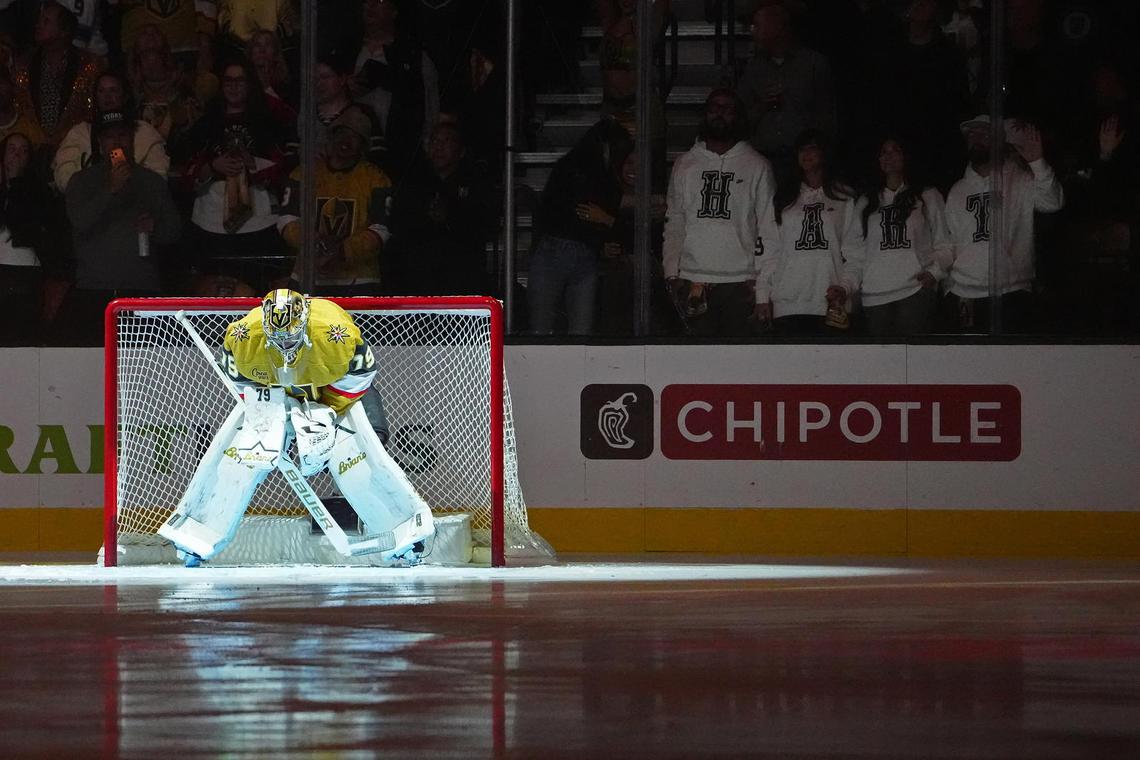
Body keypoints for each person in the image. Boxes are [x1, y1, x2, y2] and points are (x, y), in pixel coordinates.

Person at [160, 289, 434, 567]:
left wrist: (325, 412)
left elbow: (360, 377)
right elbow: (242, 385)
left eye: (290, 337)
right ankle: (194, 535)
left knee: (357, 459)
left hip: (334, 391)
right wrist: (271, 414)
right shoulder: (242, 336)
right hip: (273, 393)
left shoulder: (335, 331)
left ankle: (407, 533)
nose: (284, 345)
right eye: (276, 338)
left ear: (303, 321)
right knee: (243, 456)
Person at [54, 110, 181, 345]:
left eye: (123, 135)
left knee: (145, 368)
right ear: (100, 144)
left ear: (132, 140)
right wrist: (110, 189)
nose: (117, 142)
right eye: (110, 137)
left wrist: (156, 227)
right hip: (94, 290)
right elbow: (79, 222)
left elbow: (174, 232)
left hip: (141, 289)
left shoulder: (151, 181)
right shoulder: (81, 181)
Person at [662, 88, 779, 337]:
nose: (720, 114)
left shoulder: (756, 165)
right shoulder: (685, 165)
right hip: (694, 279)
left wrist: (762, 289)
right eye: (714, 108)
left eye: (727, 109)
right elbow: (675, 222)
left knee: (736, 366)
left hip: (741, 282)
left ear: (738, 116)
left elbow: (768, 230)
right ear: (705, 114)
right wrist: (672, 273)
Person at [942, 115, 1064, 333]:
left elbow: (1052, 202)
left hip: (1012, 290)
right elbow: (951, 241)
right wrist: (947, 285)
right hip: (966, 293)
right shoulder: (957, 190)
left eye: (984, 134)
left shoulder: (1019, 179)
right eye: (971, 135)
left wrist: (1037, 163)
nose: (976, 139)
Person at [182, 57, 288, 294]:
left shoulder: (267, 122)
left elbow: (283, 169)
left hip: (258, 220)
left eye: (240, 80)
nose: (234, 86)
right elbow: (187, 174)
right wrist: (213, 166)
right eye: (228, 80)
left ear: (250, 84)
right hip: (211, 220)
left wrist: (252, 165)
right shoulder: (205, 124)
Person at [527, 117, 633, 336]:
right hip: (564, 253)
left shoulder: (579, 168)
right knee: (558, 332)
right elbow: (585, 210)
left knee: (547, 332)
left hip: (571, 253)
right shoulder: (584, 172)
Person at [758, 129, 863, 336]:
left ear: (824, 152)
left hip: (831, 301)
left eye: (812, 148)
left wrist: (845, 287)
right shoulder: (783, 199)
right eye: (802, 149)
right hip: (788, 302)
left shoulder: (845, 197)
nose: (806, 154)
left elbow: (856, 253)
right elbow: (770, 250)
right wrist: (762, 295)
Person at [277, 105, 392, 296]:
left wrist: (342, 252)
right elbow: (286, 220)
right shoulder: (304, 173)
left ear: (363, 145)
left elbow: (381, 228)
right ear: (330, 138)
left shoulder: (376, 179)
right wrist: (310, 242)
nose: (346, 141)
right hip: (308, 277)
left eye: (354, 137)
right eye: (341, 134)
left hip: (359, 281)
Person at [385, 120, 499, 297]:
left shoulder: (476, 183)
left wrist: (451, 217)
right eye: (434, 141)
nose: (439, 147)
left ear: (461, 151)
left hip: (462, 279)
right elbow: (397, 224)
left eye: (446, 141)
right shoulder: (413, 182)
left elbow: (487, 227)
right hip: (418, 279)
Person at [859, 136, 950, 337]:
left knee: (913, 362)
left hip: (914, 291)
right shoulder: (867, 201)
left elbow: (945, 242)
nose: (888, 156)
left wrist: (934, 273)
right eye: (884, 152)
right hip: (875, 295)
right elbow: (855, 249)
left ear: (906, 156)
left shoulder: (927, 195)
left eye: (895, 150)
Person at [735, 3, 837, 180]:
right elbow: (739, 119)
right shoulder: (753, 69)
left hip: (803, 161)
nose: (753, 32)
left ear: (777, 26)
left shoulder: (813, 64)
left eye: (758, 25)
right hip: (762, 159)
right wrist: (762, 105)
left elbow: (827, 118)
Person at [349, 0, 439, 181]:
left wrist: (428, 147)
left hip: (398, 155)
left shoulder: (414, 56)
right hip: (349, 152)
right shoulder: (346, 50)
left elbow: (430, 107)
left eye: (380, 1)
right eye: (367, 1)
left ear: (394, 11)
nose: (371, 6)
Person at [52, 70, 170, 190]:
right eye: (101, 91)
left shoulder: (144, 131)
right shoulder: (80, 133)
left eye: (113, 90)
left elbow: (158, 178)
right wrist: (100, 188)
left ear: (125, 95)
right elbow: (65, 179)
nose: (107, 96)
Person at [10, 2, 104, 151]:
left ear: (64, 31)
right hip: (30, 149)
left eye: (46, 21)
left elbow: (92, 112)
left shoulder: (88, 65)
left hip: (75, 148)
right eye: (39, 20)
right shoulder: (24, 64)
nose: (38, 25)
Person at [0, 132, 51, 345]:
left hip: (22, 269)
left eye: (23, 150)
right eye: (12, 149)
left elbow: (25, 226)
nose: (17, 155)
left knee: (18, 336)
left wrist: (16, 182)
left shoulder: (37, 189)